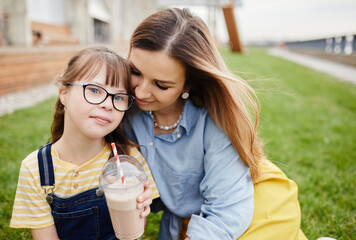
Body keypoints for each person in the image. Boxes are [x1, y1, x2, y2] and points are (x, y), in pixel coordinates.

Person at [124, 8, 307, 240]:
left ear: (188, 84)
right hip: (202, 214)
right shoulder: (121, 104)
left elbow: (226, 211)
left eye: (161, 85)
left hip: (255, 205)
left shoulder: (215, 120)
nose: (140, 91)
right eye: (135, 71)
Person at [10, 46, 158, 240]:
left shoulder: (128, 160)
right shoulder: (36, 169)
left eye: (119, 97)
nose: (107, 104)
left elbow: (133, 233)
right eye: (95, 90)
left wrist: (137, 207)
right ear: (64, 94)